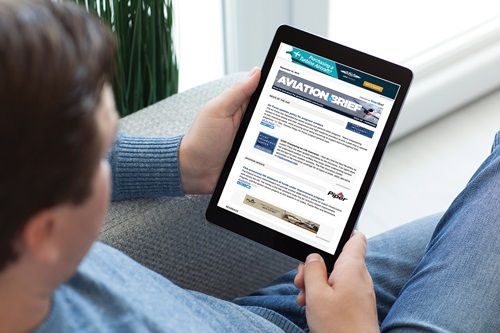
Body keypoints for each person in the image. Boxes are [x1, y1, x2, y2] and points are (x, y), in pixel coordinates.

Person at [0, 1, 498, 332]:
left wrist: (182, 164)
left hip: (256, 317)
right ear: (44, 232)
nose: (110, 158)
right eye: (101, 154)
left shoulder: (24, 263)